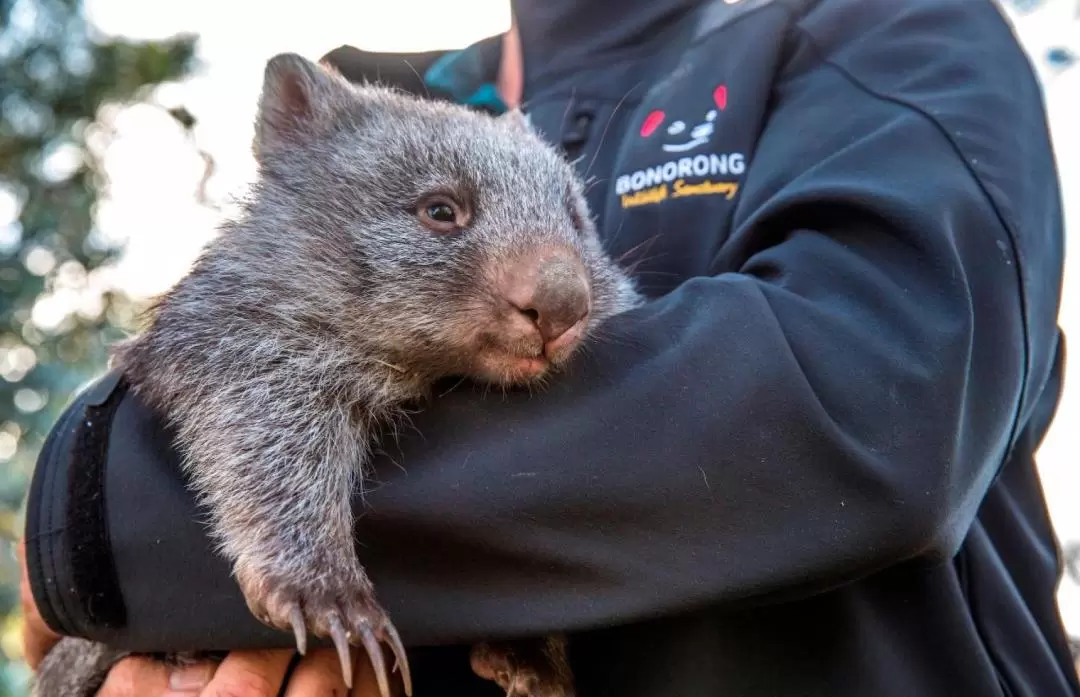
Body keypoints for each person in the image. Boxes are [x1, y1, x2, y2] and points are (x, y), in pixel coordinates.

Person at [19, 0, 1080, 695]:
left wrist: (98, 522)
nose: (561, 282)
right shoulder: (371, 107)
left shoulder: (880, 30)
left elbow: (863, 404)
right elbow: (215, 347)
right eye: (443, 214)